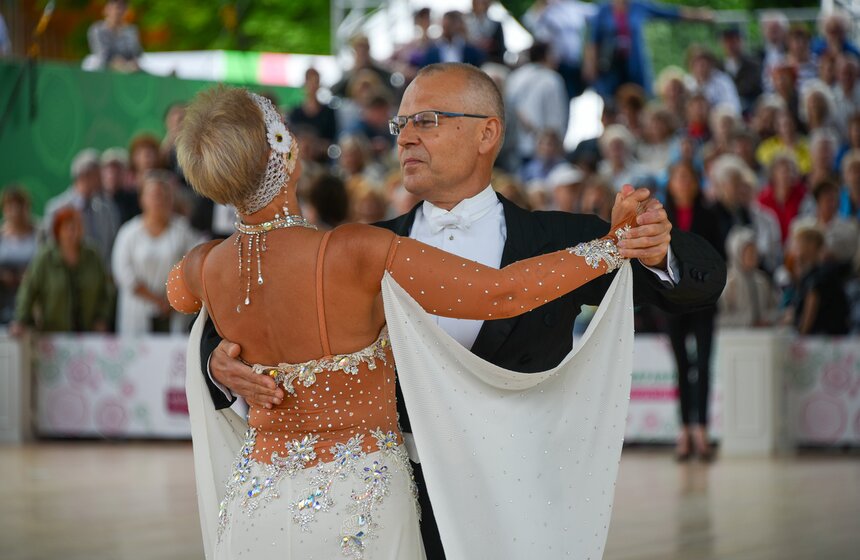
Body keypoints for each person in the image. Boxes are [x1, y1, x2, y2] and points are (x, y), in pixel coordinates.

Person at [200, 63, 726, 558]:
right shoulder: (357, 249)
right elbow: (247, 309)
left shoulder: (558, 240)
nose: (405, 137)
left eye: (426, 121)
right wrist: (221, 361)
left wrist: (656, 250)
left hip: (524, 499)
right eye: (400, 124)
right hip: (398, 501)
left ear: (487, 134)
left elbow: (701, 282)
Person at [661, 162, 723, 462]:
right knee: (682, 366)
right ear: (671, 184)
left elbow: (718, 258)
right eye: (679, 177)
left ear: (697, 183)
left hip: (703, 301)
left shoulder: (710, 215)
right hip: (672, 301)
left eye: (689, 177)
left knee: (704, 365)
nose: (684, 183)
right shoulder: (662, 217)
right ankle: (684, 429)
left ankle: (702, 430)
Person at [111, 171, 202, 335]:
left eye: (165, 195)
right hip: (137, 314)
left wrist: (172, 299)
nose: (160, 200)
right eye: (154, 195)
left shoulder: (183, 230)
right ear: (142, 199)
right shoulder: (128, 233)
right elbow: (123, 273)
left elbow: (195, 264)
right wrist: (157, 300)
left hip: (174, 313)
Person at [11, 207, 111, 335]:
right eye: (69, 228)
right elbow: (28, 290)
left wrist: (102, 317)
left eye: (77, 228)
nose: (74, 233)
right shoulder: (45, 258)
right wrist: (21, 320)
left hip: (89, 333)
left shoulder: (93, 256)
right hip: (53, 333)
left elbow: (105, 291)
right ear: (58, 231)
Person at [583, 0, 713, 99]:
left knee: (640, 97)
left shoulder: (638, 6)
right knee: (611, 100)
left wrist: (699, 15)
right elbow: (593, 41)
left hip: (634, 64)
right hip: (611, 68)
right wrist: (590, 65)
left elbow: (668, 13)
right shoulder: (603, 10)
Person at [43, 149, 120, 265]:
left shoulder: (106, 209)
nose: (102, 180)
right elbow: (50, 248)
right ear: (85, 176)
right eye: (98, 175)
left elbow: (112, 245)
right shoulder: (56, 209)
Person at [718, 227, 778, 328]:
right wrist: (750, 321)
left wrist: (768, 319)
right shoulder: (728, 282)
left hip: (762, 335)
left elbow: (774, 309)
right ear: (737, 254)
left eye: (755, 251)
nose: (754, 256)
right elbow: (719, 319)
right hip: (737, 337)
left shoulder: (762, 281)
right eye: (749, 252)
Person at [0, 187, 37, 325]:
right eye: (10, 206)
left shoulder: (41, 234)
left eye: (19, 206)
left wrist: (31, 276)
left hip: (33, 304)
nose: (15, 211)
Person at [87, 0, 142, 72]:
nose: (118, 11)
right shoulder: (97, 30)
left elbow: (137, 54)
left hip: (130, 71)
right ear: (106, 9)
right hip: (104, 71)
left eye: (122, 7)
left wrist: (130, 64)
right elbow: (102, 55)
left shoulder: (131, 31)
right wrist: (117, 64)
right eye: (115, 7)